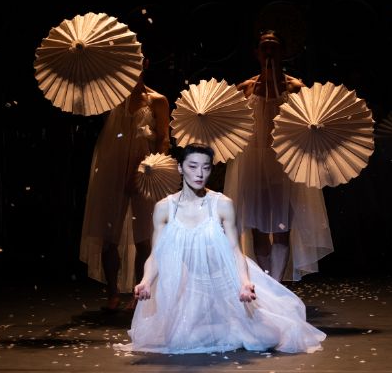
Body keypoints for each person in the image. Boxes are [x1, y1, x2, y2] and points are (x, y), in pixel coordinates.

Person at [116, 143, 326, 354]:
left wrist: (244, 283)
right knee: (179, 340)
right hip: (191, 287)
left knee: (267, 337)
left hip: (225, 283)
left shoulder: (222, 204)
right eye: (193, 166)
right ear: (180, 168)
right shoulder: (164, 208)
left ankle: (232, 323)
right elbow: (156, 255)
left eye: (206, 167)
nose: (200, 173)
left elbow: (235, 250)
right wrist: (145, 282)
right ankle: (221, 326)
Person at [223, 30, 333, 281]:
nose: (269, 52)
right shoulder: (247, 88)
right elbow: (232, 126)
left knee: (282, 225)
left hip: (285, 162)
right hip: (253, 160)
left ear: (283, 52)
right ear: (257, 53)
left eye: (274, 47)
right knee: (258, 226)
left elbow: (311, 122)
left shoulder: (295, 88)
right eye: (264, 47)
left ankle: (276, 283)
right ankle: (265, 284)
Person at [79, 58, 170, 310]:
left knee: (144, 237)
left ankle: (140, 293)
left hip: (144, 172)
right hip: (112, 169)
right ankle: (112, 293)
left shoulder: (157, 100)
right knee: (109, 237)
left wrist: (149, 167)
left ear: (145, 65)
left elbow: (164, 138)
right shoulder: (110, 97)